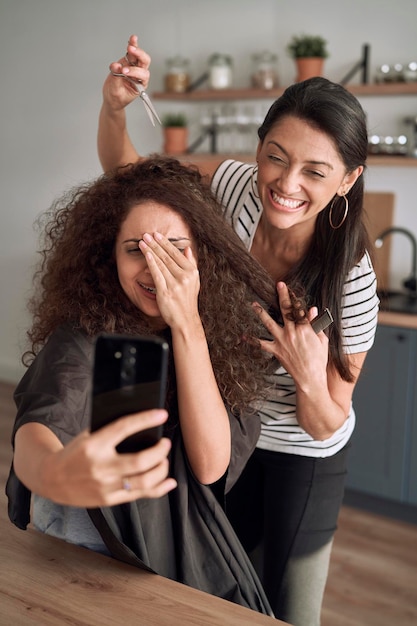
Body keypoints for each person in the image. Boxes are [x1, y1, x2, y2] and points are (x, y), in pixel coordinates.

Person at [96, 35, 380, 626]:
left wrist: (307, 375)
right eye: (276, 156)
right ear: (259, 146)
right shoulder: (230, 190)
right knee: (210, 594)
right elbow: (128, 178)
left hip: (303, 454)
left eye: (315, 171)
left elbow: (330, 419)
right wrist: (116, 108)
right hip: (227, 435)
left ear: (347, 181)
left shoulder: (350, 281)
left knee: (290, 611)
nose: (286, 182)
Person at [6, 155, 313, 616]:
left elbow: (211, 466)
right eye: (136, 249)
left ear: (201, 256)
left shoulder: (223, 337)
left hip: (176, 551)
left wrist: (186, 322)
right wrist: (55, 473)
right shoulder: (82, 337)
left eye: (173, 248)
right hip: (93, 556)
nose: (155, 268)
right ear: (107, 255)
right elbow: (40, 426)